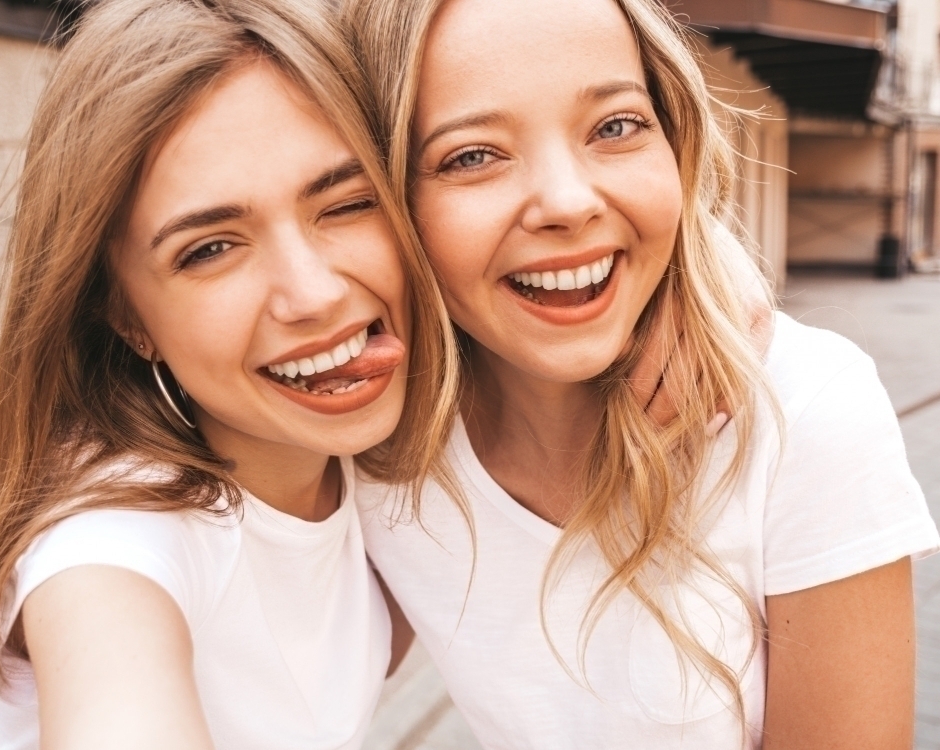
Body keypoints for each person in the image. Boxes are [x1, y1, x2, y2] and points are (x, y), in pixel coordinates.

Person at [343, 0, 940, 747]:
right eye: (472, 156)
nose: (568, 204)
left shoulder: (803, 409)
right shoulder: (377, 449)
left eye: (615, 126)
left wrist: (698, 258)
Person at [0, 0, 457, 747]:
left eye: (346, 204)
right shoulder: (113, 543)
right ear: (126, 315)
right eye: (210, 249)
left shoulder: (350, 470)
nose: (313, 294)